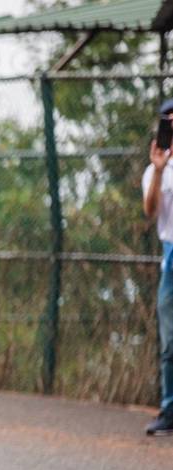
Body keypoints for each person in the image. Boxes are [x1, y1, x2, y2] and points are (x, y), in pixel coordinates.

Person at [141, 100, 173, 437]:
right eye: (169, 121)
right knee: (169, 341)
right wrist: (161, 169)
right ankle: (169, 409)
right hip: (171, 254)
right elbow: (150, 212)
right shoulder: (156, 169)